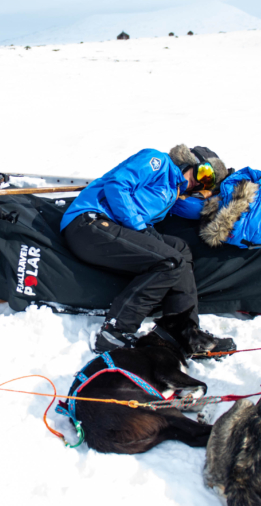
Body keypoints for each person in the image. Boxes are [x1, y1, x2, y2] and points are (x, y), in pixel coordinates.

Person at [61, 144, 237, 355]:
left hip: (116, 227)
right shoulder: (157, 161)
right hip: (89, 222)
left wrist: (232, 202)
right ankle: (114, 333)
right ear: (188, 161)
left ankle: (185, 333)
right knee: (169, 262)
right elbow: (117, 185)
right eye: (204, 172)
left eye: (208, 181)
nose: (201, 181)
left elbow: (195, 209)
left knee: (179, 250)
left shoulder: (173, 191)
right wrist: (138, 228)